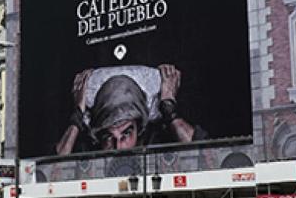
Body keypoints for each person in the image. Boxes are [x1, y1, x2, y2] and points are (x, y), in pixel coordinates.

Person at [55, 66, 208, 155]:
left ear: (139, 128)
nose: (118, 147)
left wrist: (169, 110)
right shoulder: (87, 147)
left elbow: (207, 154)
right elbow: (53, 170)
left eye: (126, 134)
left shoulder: (156, 140)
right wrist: (77, 117)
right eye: (108, 136)